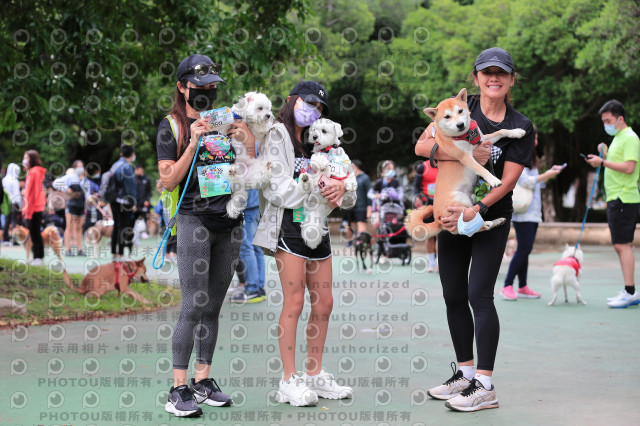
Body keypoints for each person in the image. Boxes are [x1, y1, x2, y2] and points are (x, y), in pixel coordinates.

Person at [415, 47, 534, 411]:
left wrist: (477, 210)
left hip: (487, 218)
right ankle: (464, 374)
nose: (493, 78)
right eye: (487, 72)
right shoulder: (457, 110)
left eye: (501, 73)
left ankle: (485, 384)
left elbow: (508, 181)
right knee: (452, 295)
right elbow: (421, 146)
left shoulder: (521, 125)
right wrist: (461, 156)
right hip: (451, 214)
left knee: (478, 295)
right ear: (476, 77)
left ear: (512, 79)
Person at [156, 54, 253, 417]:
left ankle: (203, 380)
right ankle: (178, 389)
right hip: (194, 219)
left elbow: (251, 162)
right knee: (193, 304)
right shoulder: (171, 126)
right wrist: (194, 142)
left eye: (212, 88)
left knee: (213, 306)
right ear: (182, 87)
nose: (206, 94)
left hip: (230, 221)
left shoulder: (227, 119)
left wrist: (243, 136)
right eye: (199, 88)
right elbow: (168, 179)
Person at [253, 81, 355, 406]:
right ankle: (288, 380)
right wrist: (314, 187)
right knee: (294, 301)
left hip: (319, 226)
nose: (313, 110)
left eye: (320, 107)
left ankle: (315, 374)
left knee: (324, 302)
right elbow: (276, 187)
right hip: (288, 226)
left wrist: (341, 191)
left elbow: (346, 185)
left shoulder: (324, 140)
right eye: (308, 103)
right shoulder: (276, 135)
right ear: (291, 100)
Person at [585, 100, 640, 308]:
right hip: (617, 198)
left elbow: (629, 168)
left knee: (622, 245)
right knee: (620, 245)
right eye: (604, 121)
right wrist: (605, 153)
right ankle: (629, 289)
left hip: (624, 198)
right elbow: (618, 163)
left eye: (608, 121)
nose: (605, 124)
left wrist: (603, 162)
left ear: (620, 119)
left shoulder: (630, 138)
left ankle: (630, 291)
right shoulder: (619, 137)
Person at [501, 126, 564, 300]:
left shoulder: (531, 158)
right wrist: (548, 175)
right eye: (533, 138)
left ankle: (522, 286)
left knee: (525, 249)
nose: (535, 142)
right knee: (524, 249)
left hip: (533, 211)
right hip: (523, 211)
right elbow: (526, 181)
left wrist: (548, 174)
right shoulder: (517, 156)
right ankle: (507, 285)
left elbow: (534, 183)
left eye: (536, 138)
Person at [231, 177, 266, 303]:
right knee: (255, 247)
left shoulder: (243, 159)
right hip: (255, 203)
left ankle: (252, 288)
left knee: (246, 247)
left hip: (248, 205)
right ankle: (259, 287)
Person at [109, 145, 137, 261]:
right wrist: (133, 202)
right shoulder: (127, 167)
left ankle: (114, 253)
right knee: (123, 227)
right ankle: (121, 254)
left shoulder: (115, 165)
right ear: (131, 154)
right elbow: (130, 187)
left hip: (113, 199)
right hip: (124, 201)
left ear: (121, 154)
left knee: (116, 226)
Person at [53, 161, 87, 256]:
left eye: (82, 166)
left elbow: (87, 193)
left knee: (79, 228)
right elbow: (56, 183)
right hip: (71, 205)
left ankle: (80, 249)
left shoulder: (84, 180)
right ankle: (67, 249)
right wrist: (66, 189)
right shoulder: (70, 177)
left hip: (81, 206)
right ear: (74, 168)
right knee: (69, 227)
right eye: (79, 166)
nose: (81, 168)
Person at [413, 159, 439, 272]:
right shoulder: (422, 167)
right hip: (426, 203)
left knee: (440, 234)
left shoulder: (445, 164)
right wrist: (416, 197)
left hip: (441, 202)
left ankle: (439, 262)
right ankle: (431, 263)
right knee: (429, 234)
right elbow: (415, 186)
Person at [22, 150, 47, 266]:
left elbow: (34, 193)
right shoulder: (31, 172)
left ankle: (39, 257)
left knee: (36, 233)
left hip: (34, 208)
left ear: (32, 159)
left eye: (26, 157)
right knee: (33, 233)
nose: (24, 160)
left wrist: (28, 210)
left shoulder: (34, 172)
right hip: (31, 207)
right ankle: (35, 256)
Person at [341, 159, 372, 245]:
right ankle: (350, 241)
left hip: (361, 206)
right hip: (349, 206)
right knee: (348, 225)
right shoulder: (348, 177)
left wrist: (369, 207)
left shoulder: (365, 178)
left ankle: (362, 242)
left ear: (356, 167)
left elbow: (369, 193)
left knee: (361, 225)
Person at [2, 163, 23, 245]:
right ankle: (15, 240)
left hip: (6, 203)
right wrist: (20, 205)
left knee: (7, 221)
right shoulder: (14, 181)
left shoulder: (4, 180)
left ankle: (6, 239)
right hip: (14, 203)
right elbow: (17, 194)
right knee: (14, 221)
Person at [134, 164, 152, 238]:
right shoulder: (134, 179)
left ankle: (147, 232)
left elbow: (149, 191)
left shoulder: (147, 179)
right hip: (136, 203)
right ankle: (135, 233)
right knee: (134, 218)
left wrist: (147, 200)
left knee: (146, 218)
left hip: (145, 203)